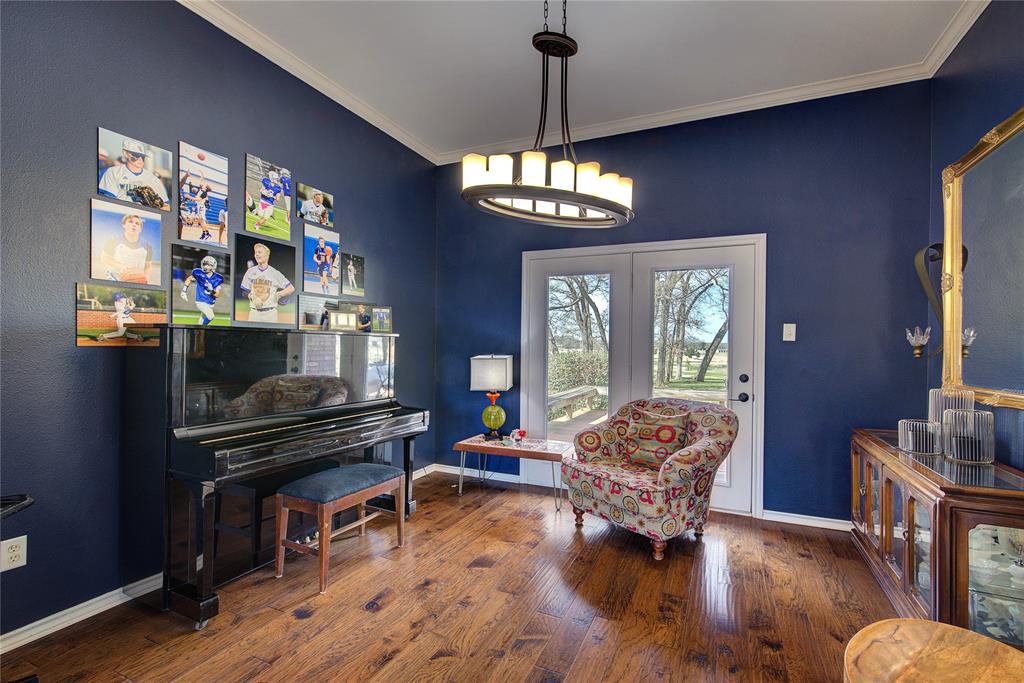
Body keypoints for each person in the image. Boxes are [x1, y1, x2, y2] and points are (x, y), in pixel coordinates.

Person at [98, 138, 169, 210]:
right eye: (136, 155)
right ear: (125, 153)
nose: (140, 159)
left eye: (142, 156)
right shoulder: (113, 172)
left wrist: (154, 207)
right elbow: (106, 201)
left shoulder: (154, 179)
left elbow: (167, 207)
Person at [240, 242, 294, 323]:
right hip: (254, 313)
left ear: (267, 256)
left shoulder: (275, 273)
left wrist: (279, 294)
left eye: (260, 252)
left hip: (271, 314)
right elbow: (244, 291)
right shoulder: (250, 271)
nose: (257, 254)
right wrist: (252, 297)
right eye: (256, 252)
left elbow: (291, 288)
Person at [99, 213, 154, 284]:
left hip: (136, 278)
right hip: (115, 275)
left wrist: (146, 276)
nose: (134, 224)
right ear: (124, 225)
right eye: (130, 222)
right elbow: (104, 258)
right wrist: (121, 266)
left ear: (140, 229)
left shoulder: (147, 247)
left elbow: (148, 265)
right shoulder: (113, 241)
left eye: (137, 223)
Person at [181, 255, 224, 325]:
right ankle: (203, 329)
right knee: (211, 316)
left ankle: (198, 333)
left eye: (208, 265)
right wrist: (184, 290)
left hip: (210, 304)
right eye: (204, 265)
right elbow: (189, 279)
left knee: (200, 324)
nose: (206, 267)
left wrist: (212, 290)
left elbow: (217, 294)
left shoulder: (218, 278)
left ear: (213, 266)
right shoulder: (199, 274)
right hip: (201, 301)